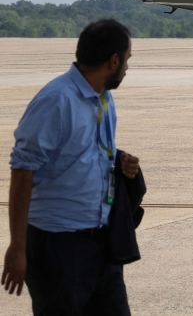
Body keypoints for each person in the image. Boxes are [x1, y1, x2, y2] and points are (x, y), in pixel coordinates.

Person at [3, 19, 141, 313]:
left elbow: (86, 150)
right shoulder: (56, 101)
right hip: (58, 248)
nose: (127, 67)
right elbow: (22, 170)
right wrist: (17, 247)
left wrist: (121, 161)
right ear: (113, 61)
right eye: (127, 59)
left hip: (101, 243)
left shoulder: (103, 97)